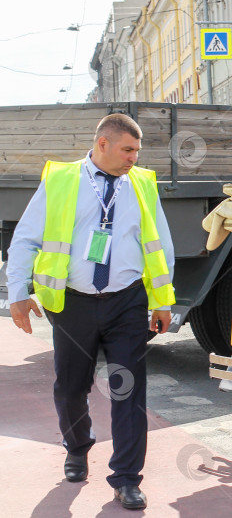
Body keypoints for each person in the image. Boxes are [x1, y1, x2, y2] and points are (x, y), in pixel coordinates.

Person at [7, 113, 174, 510]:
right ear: (103, 144)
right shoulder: (62, 180)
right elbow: (26, 239)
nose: (135, 158)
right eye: (127, 149)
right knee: (70, 387)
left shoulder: (142, 185)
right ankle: (78, 448)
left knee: (128, 391)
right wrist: (17, 293)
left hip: (127, 303)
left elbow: (160, 246)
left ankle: (127, 478)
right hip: (72, 304)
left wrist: (163, 301)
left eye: (137, 150)